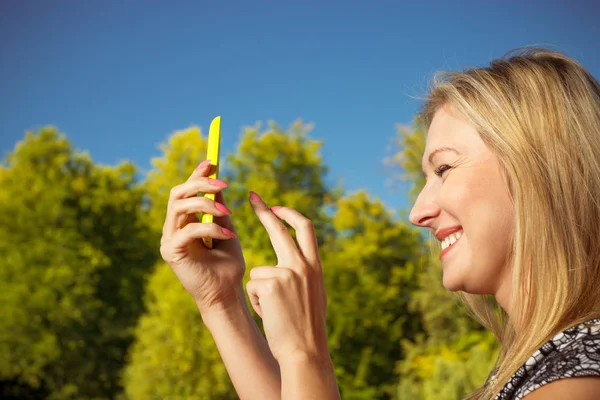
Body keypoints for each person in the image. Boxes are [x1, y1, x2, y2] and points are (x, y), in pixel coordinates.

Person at [159, 47, 600, 400]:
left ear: (539, 170)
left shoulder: (574, 385)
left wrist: (304, 353)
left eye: (443, 169)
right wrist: (221, 303)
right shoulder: (550, 366)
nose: (417, 213)